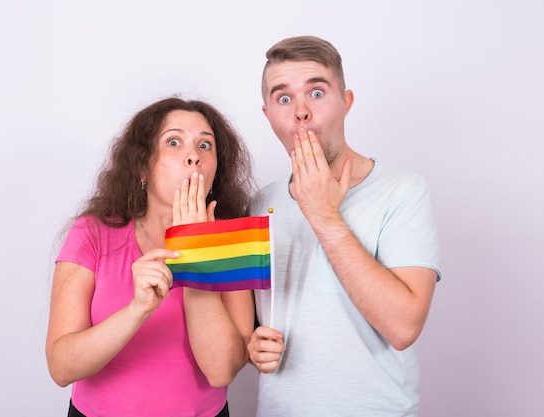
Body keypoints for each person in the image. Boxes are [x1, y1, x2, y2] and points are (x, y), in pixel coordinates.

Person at [247, 36, 441, 416]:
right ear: (268, 114)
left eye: (316, 93)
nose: (300, 111)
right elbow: (263, 321)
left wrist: (323, 214)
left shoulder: (403, 191)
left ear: (346, 102)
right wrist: (252, 343)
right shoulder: (259, 204)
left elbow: (403, 328)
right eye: (283, 98)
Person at [46, 97, 256, 417]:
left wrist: (195, 256)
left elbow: (221, 371)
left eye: (205, 145)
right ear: (143, 165)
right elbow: (61, 368)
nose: (193, 157)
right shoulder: (91, 233)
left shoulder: (234, 241)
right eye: (174, 142)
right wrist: (137, 309)